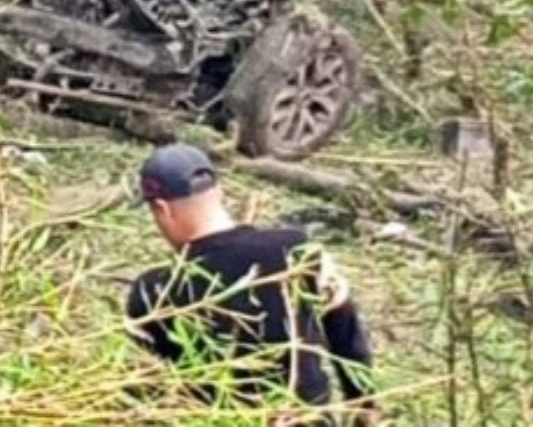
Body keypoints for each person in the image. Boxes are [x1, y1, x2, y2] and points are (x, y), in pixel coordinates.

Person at [124, 144, 377, 425]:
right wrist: (363, 407)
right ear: (220, 192)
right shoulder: (296, 250)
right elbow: (347, 334)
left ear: (162, 209)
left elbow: (151, 394)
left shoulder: (153, 292)